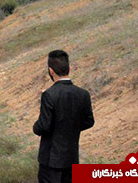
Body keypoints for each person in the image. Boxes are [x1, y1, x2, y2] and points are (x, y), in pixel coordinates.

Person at [33, 50, 94, 183]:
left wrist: (35, 127)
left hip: (50, 160)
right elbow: (89, 121)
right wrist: (70, 127)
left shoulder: (49, 95)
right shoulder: (83, 94)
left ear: (51, 71)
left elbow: (44, 126)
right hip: (71, 158)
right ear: (69, 68)